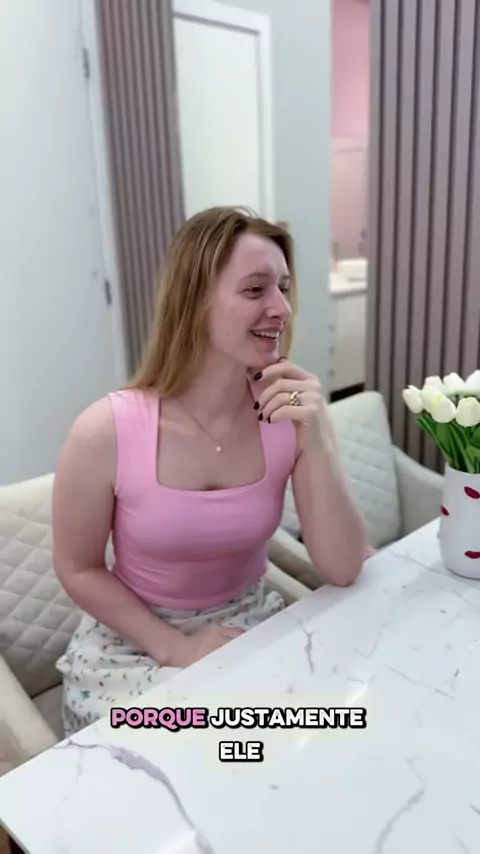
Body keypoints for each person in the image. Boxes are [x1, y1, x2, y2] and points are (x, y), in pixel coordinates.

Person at [53, 206, 367, 734]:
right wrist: (175, 648)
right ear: (194, 300)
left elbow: (343, 568)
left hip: (246, 627)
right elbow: (78, 567)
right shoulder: (104, 431)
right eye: (255, 290)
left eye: (284, 288)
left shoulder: (289, 414)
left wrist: (317, 438)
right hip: (136, 642)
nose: (282, 309)